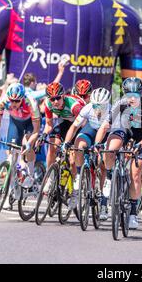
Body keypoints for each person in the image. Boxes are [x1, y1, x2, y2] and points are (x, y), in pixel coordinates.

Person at [95, 77, 142, 230]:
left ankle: (133, 214)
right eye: (129, 94)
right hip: (125, 129)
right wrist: (96, 144)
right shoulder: (120, 104)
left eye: (135, 94)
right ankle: (109, 176)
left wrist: (138, 145)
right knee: (110, 150)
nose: (132, 98)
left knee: (135, 173)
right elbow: (104, 126)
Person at [63, 87, 111, 220]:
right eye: (95, 104)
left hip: (106, 134)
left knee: (104, 162)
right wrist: (66, 142)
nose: (97, 107)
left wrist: (99, 147)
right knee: (78, 145)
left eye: (100, 105)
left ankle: (103, 201)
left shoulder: (112, 111)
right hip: (92, 129)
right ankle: (79, 174)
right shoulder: (87, 108)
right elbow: (74, 127)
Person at [37, 82, 85, 199]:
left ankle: (74, 189)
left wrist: (71, 142)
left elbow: (83, 124)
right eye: (52, 99)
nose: (55, 102)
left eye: (58, 98)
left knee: (73, 161)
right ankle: (50, 177)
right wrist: (43, 135)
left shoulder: (74, 105)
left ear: (63, 96)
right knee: (52, 147)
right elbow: (49, 125)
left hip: (79, 125)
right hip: (65, 123)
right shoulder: (49, 104)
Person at [0, 83, 41, 187]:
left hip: (30, 123)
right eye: (12, 100)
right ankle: (11, 187)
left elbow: (36, 130)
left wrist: (29, 144)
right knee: (11, 152)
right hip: (16, 123)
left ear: (22, 98)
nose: (14, 103)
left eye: (17, 101)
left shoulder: (31, 102)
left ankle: (30, 172)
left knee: (26, 143)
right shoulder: (3, 101)